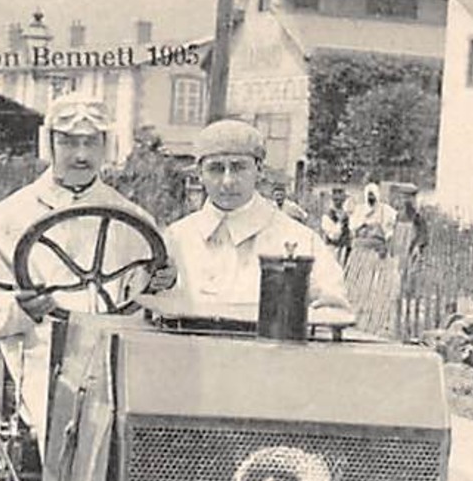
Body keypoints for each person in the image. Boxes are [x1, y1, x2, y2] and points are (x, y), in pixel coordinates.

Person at [0, 94, 171, 437]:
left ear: (106, 146)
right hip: (37, 349)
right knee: (60, 423)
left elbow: (154, 298)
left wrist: (160, 285)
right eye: (68, 142)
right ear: (49, 143)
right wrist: (21, 309)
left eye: (91, 142)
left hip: (115, 351)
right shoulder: (11, 214)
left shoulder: (132, 219)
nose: (81, 155)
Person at [164, 119, 347, 314]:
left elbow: (334, 311)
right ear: (199, 173)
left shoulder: (301, 241)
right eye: (216, 168)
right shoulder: (177, 238)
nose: (227, 181)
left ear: (259, 170)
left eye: (238, 167)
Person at [343, 182, 402, 334]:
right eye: (368, 195)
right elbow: (354, 228)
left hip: (376, 253)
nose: (370, 198)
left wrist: (384, 246)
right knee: (357, 285)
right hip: (360, 253)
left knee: (376, 287)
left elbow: (388, 233)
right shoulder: (359, 210)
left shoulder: (385, 211)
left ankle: (374, 322)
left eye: (373, 196)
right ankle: (354, 316)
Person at [319, 188, 351, 266]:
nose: (339, 202)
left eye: (341, 199)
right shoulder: (327, 216)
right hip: (332, 249)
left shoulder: (347, 215)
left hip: (345, 249)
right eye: (336, 199)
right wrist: (340, 222)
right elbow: (333, 236)